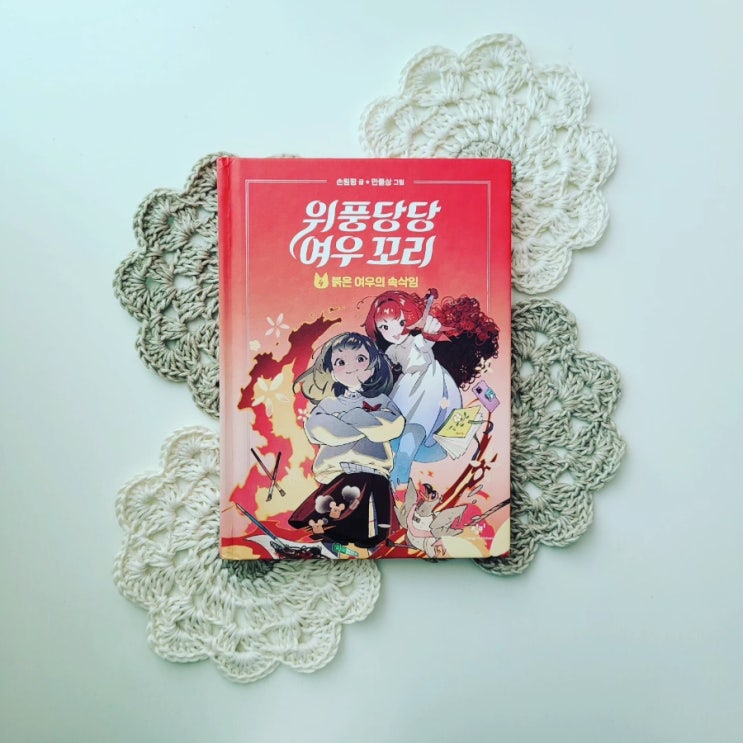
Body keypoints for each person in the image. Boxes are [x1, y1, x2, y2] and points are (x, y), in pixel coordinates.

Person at [363, 289, 500, 487]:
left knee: (421, 422)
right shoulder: (392, 349)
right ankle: (397, 473)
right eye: (384, 327)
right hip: (407, 386)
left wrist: (430, 329)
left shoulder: (418, 340)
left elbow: (427, 339)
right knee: (404, 423)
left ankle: (401, 474)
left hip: (431, 383)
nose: (393, 331)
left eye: (400, 323)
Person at [289, 332, 404, 550]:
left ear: (373, 366)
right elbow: (317, 429)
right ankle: (333, 544)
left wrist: (353, 418)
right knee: (336, 517)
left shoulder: (381, 400)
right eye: (341, 362)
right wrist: (364, 426)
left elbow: (393, 425)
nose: (351, 368)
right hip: (341, 472)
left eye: (360, 359)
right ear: (332, 371)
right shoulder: (329, 404)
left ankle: (374, 543)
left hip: (374, 470)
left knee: (375, 522)